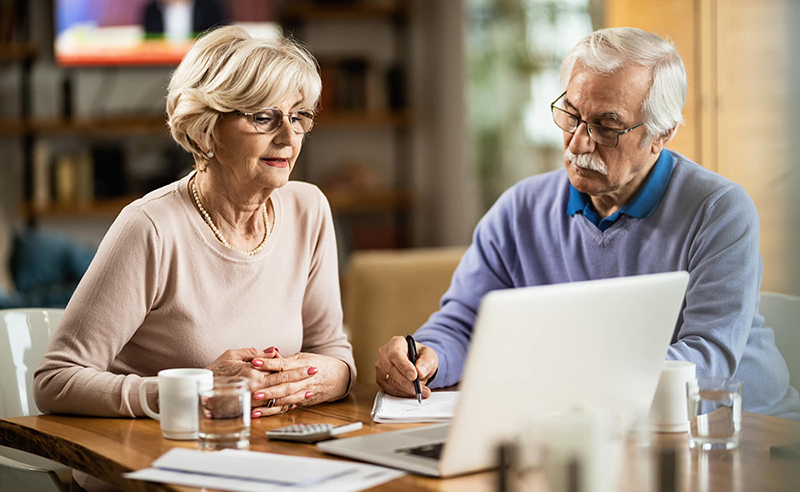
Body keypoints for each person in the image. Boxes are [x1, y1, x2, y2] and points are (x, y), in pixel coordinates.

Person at [375, 27, 800, 421]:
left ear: (661, 134)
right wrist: (428, 357)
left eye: (606, 126)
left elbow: (705, 361)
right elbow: (466, 320)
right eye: (571, 115)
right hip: (593, 423)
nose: (578, 142)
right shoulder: (519, 209)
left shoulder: (719, 210)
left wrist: (567, 383)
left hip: (744, 428)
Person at [35, 26, 355, 426]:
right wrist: (197, 388)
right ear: (205, 130)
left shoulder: (309, 209)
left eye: (298, 116)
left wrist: (331, 378)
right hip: (149, 462)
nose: (289, 137)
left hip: (265, 454)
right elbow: (56, 381)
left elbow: (332, 351)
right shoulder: (149, 227)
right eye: (263, 118)